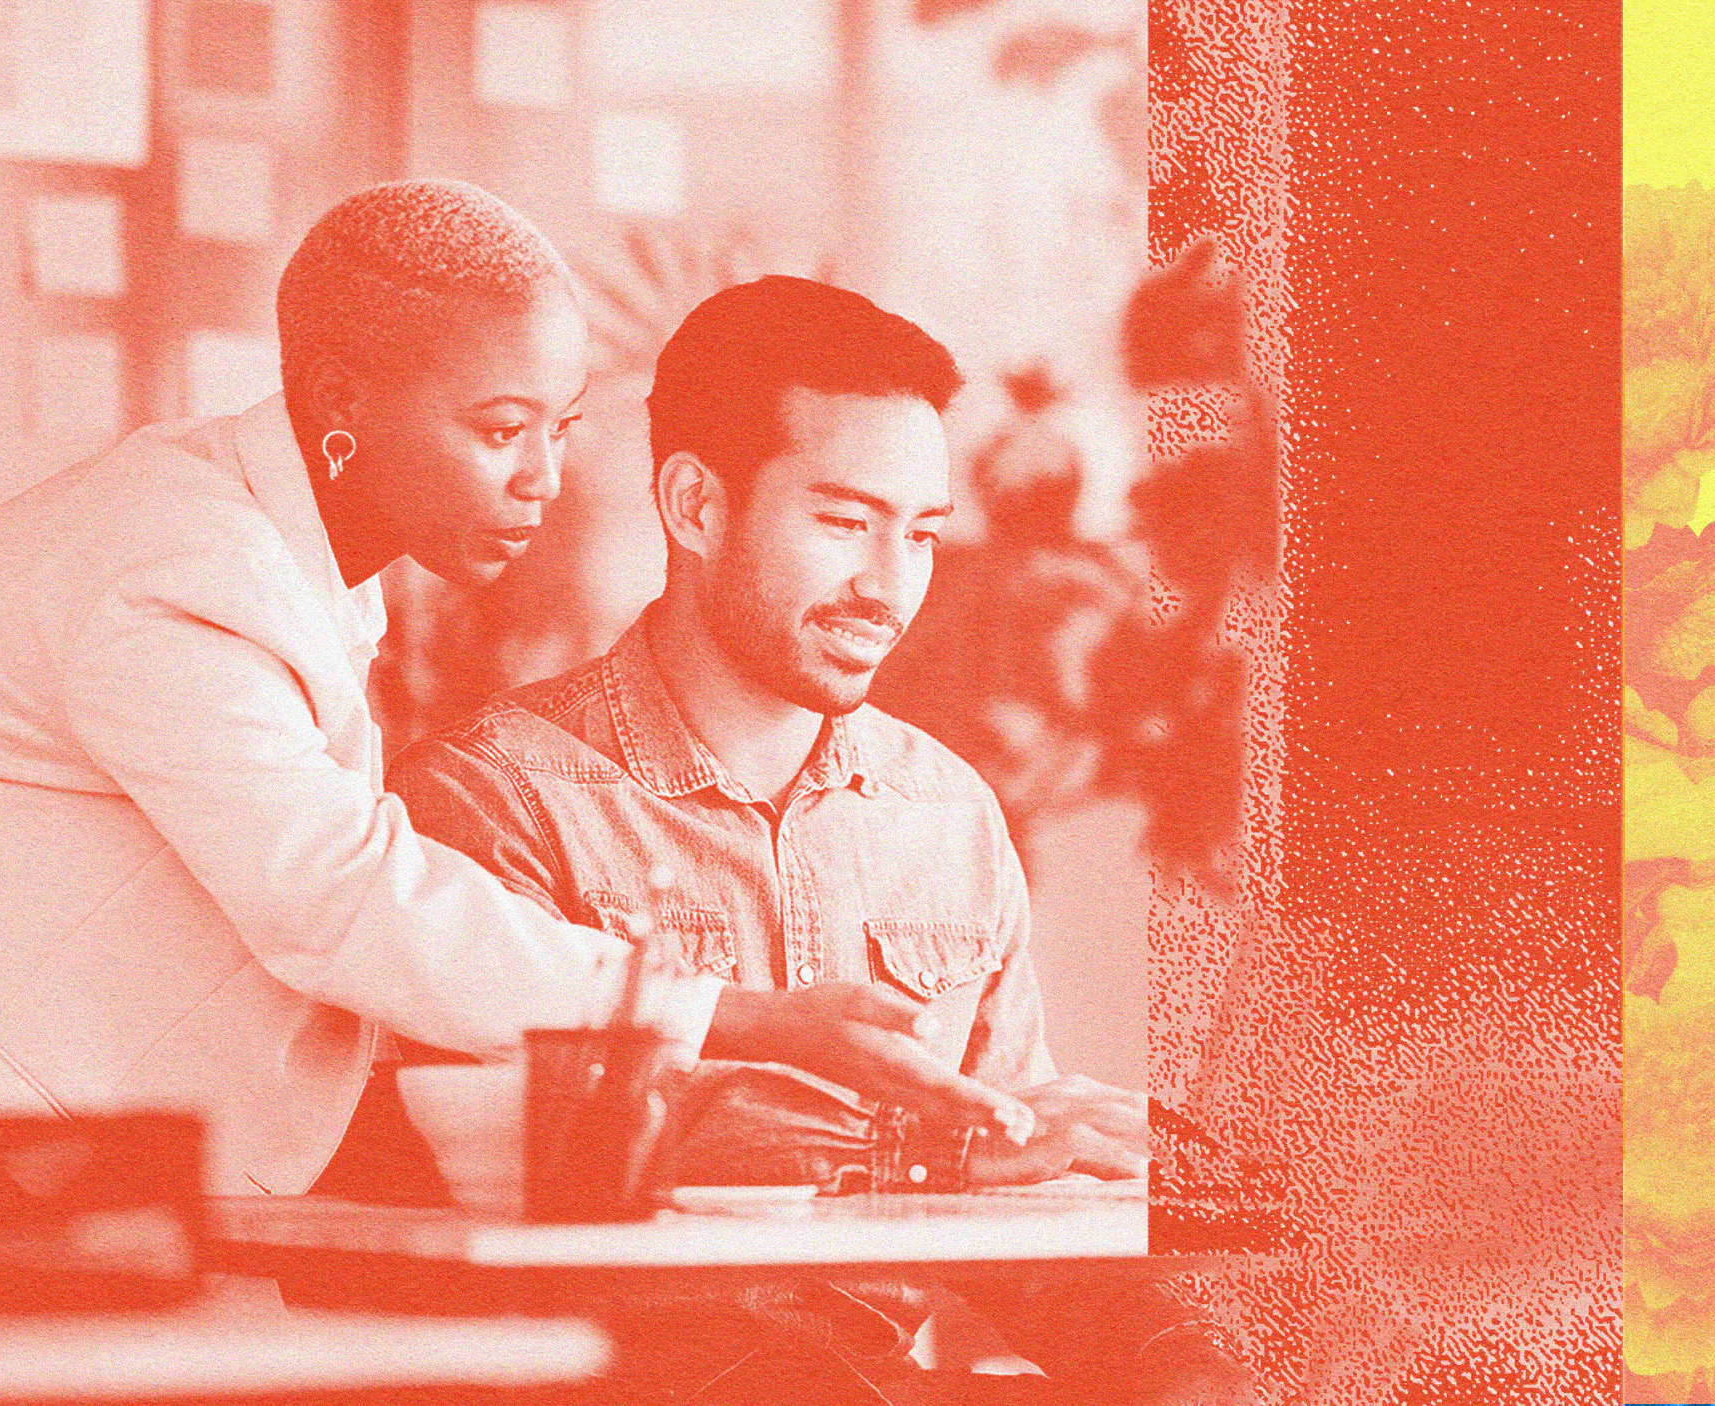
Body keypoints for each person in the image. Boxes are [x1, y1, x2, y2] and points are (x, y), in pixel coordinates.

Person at [0, 183, 1029, 1343]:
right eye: (499, 428)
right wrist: (739, 1015)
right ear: (342, 406)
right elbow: (332, 898)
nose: (547, 479)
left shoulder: (283, 567)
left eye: (559, 425)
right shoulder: (182, 563)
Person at [375, 277, 1242, 1402]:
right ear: (693, 505)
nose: (887, 586)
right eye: (842, 523)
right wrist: (940, 1144)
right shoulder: (494, 798)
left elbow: (1022, 1181)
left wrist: (1189, 1363)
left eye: (920, 534)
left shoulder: (948, 811)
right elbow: (518, 1163)